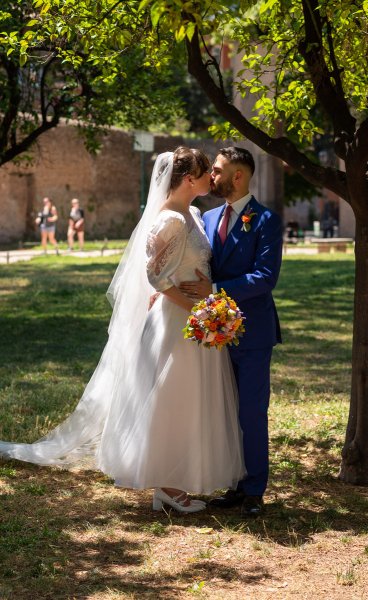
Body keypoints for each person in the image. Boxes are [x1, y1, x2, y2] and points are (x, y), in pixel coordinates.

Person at [0, 147, 245, 514]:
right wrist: (199, 308)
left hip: (196, 322)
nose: (211, 177)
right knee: (170, 401)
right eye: (205, 171)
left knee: (190, 402)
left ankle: (177, 480)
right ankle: (165, 485)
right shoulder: (169, 221)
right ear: (189, 179)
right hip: (178, 321)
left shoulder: (192, 213)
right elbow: (156, 277)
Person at [180, 147, 282, 517]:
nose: (212, 176)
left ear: (238, 176)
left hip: (252, 334)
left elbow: (265, 278)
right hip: (211, 334)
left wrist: (216, 290)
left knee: (252, 412)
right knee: (223, 411)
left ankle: (254, 489)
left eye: (219, 170)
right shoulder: (205, 218)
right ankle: (234, 482)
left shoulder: (266, 220)